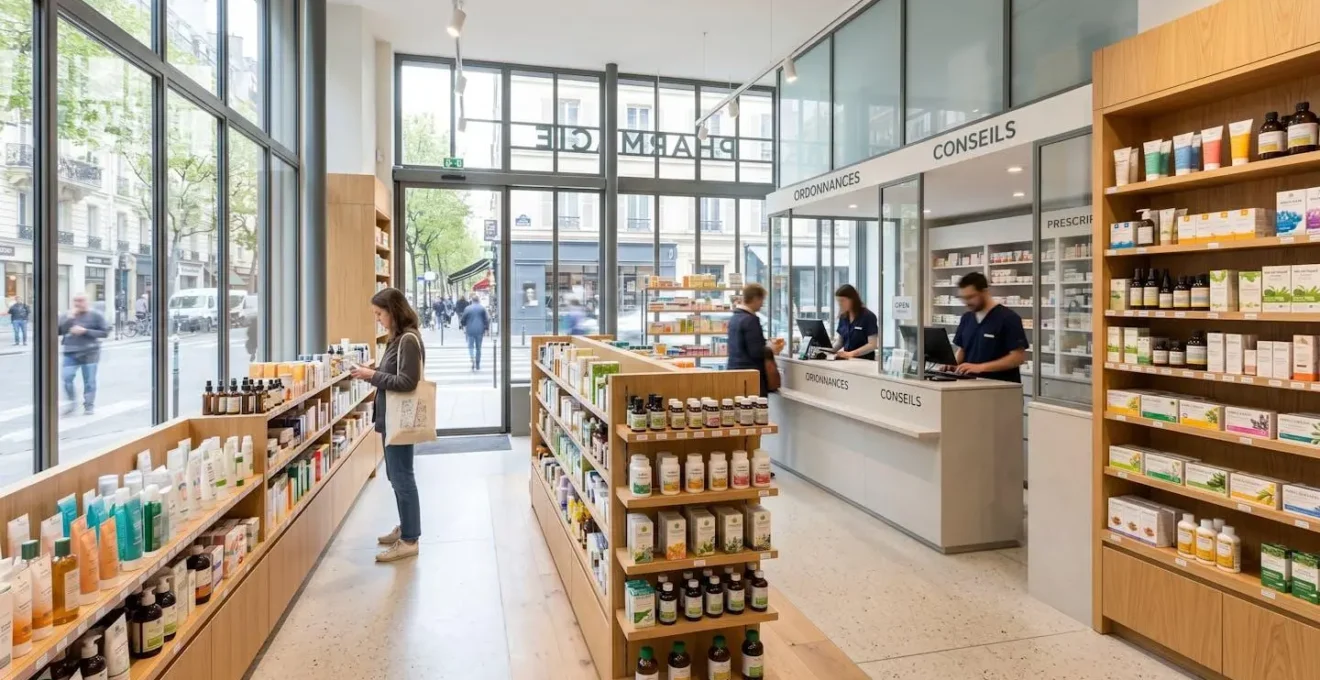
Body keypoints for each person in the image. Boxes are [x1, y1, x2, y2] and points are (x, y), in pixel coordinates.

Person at [349, 287, 424, 563]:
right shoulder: (397, 339)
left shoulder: (407, 340)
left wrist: (371, 375)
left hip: (399, 419)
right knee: (396, 476)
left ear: (394, 311)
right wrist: (372, 372)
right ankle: (406, 527)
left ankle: (410, 539)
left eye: (380, 314)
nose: (378, 319)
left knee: (402, 477)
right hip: (391, 418)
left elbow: (407, 382)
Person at [950, 272, 1029, 382]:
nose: (966, 302)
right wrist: (952, 366)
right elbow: (962, 350)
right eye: (963, 298)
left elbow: (1017, 358)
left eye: (970, 297)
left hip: (999, 388)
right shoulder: (967, 318)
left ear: (985, 292)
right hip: (969, 385)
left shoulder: (1008, 318)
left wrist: (980, 368)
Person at [726, 283, 784, 396]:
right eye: (762, 300)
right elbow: (756, 352)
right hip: (751, 376)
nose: (762, 305)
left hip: (734, 373)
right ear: (756, 299)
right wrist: (771, 349)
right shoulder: (751, 320)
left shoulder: (734, 318)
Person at [58, 293, 109, 415]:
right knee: (67, 377)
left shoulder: (96, 315)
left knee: (89, 380)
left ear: (87, 302)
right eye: (75, 301)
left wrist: (85, 331)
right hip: (70, 351)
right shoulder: (67, 315)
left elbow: (105, 332)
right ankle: (72, 402)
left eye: (81, 300)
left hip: (90, 352)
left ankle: (89, 405)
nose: (77, 303)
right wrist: (69, 318)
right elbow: (59, 331)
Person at [831, 284, 878, 360]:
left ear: (852, 300)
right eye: (838, 301)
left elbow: (872, 345)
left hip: (864, 361)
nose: (840, 304)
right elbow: (840, 342)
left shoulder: (868, 316)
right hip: (848, 361)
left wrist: (851, 354)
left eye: (842, 301)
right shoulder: (843, 317)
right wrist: (828, 350)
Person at [461, 294, 489, 371]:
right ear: (478, 300)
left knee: (470, 346)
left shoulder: (467, 308)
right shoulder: (482, 308)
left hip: (470, 330)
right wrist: (486, 329)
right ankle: (477, 364)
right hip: (480, 330)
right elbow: (486, 319)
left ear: (472, 301)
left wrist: (464, 325)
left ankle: (472, 358)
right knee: (478, 348)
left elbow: (463, 319)